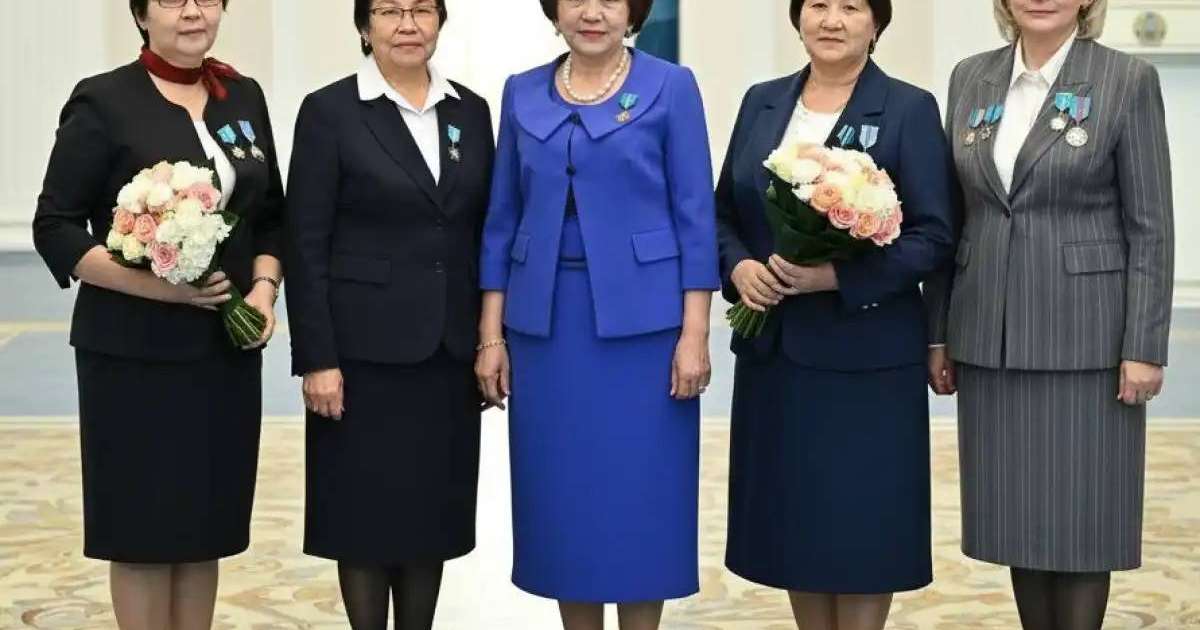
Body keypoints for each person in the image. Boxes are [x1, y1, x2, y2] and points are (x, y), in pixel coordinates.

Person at [30, 0, 283, 627]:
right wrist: (160, 291)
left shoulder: (242, 97)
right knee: (143, 532)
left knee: (206, 525)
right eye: (173, 0)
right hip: (133, 358)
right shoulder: (104, 100)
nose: (192, 12)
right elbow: (55, 226)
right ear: (142, 15)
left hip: (222, 357)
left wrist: (264, 289)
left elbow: (273, 213)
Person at [926, 0, 1174, 627]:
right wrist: (940, 334)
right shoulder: (970, 77)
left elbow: (1151, 227)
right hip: (990, 336)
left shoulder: (1126, 79)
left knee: (1084, 523)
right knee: (1019, 522)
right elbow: (955, 217)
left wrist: (1144, 344)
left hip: (1087, 336)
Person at [474, 0, 720, 627]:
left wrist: (696, 334)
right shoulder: (521, 92)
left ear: (633, 11)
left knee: (642, 497)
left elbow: (696, 218)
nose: (592, 12)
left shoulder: (671, 86)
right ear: (554, 10)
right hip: (547, 330)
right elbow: (502, 220)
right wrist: (490, 336)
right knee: (563, 500)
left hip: (647, 332)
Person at [715, 1, 956, 629]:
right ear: (797, 19)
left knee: (862, 530)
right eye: (817, 4)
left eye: (851, 6)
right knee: (798, 529)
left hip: (866, 358)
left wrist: (837, 276)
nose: (832, 19)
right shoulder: (761, 102)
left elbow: (933, 235)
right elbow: (722, 214)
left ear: (876, 23)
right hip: (777, 356)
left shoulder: (908, 108)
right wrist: (739, 269)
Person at [283, 1, 494, 629]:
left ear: (440, 21)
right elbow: (305, 243)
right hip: (360, 358)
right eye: (390, 10)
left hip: (445, 355)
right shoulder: (330, 112)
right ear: (364, 26)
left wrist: (489, 338)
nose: (408, 24)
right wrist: (317, 359)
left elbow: (484, 231)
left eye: (422, 9)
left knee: (430, 518)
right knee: (364, 521)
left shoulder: (470, 110)